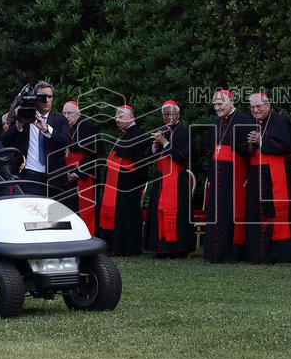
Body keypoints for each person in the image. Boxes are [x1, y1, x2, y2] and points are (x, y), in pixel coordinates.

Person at [245, 92, 291, 263]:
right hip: (256, 174)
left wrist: (262, 140)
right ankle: (258, 254)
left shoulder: (280, 121)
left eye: (259, 106)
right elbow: (245, 150)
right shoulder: (250, 122)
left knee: (277, 212)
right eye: (252, 107)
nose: (256, 110)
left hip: (277, 175)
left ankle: (281, 253)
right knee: (256, 212)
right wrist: (250, 145)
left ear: (268, 106)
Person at [203, 90, 253, 263]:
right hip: (218, 174)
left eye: (220, 104)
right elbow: (209, 148)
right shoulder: (215, 122)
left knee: (231, 211)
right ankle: (214, 253)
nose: (217, 107)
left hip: (235, 174)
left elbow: (249, 150)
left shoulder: (245, 120)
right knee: (216, 212)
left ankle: (231, 254)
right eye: (215, 105)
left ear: (231, 101)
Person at [0, 81, 71, 196]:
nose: (47, 100)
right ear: (35, 98)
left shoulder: (60, 119)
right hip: (30, 175)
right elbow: (3, 141)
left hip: (55, 178)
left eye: (50, 96)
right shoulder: (24, 117)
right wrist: (18, 125)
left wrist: (46, 129)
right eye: (43, 97)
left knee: (54, 213)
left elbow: (67, 142)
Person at [144, 100, 196, 257]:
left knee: (178, 214)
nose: (168, 117)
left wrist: (165, 143)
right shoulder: (161, 131)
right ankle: (160, 247)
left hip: (178, 180)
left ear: (178, 115)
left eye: (171, 114)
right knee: (157, 211)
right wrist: (154, 145)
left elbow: (183, 156)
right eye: (165, 114)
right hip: (161, 179)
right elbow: (147, 156)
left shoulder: (184, 132)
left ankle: (177, 249)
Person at [97, 105, 150, 255]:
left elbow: (140, 165)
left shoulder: (136, 134)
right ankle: (115, 246)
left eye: (121, 116)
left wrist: (132, 181)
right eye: (116, 116)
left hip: (127, 186)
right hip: (117, 185)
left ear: (131, 117)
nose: (117, 120)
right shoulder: (124, 134)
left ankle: (125, 248)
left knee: (126, 217)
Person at [61, 101, 99, 233]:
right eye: (64, 113)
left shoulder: (87, 127)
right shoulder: (63, 128)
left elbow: (92, 154)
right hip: (65, 176)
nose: (66, 116)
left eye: (69, 113)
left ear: (78, 113)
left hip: (82, 176)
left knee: (82, 211)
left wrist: (77, 173)